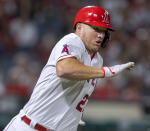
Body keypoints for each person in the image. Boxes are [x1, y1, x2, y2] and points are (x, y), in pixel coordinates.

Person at [4, 6, 134, 131]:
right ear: (79, 27)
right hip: (31, 127)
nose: (101, 35)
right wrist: (105, 72)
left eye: (103, 31)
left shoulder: (97, 60)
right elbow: (64, 69)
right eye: (96, 28)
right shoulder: (72, 41)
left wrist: (74, 114)